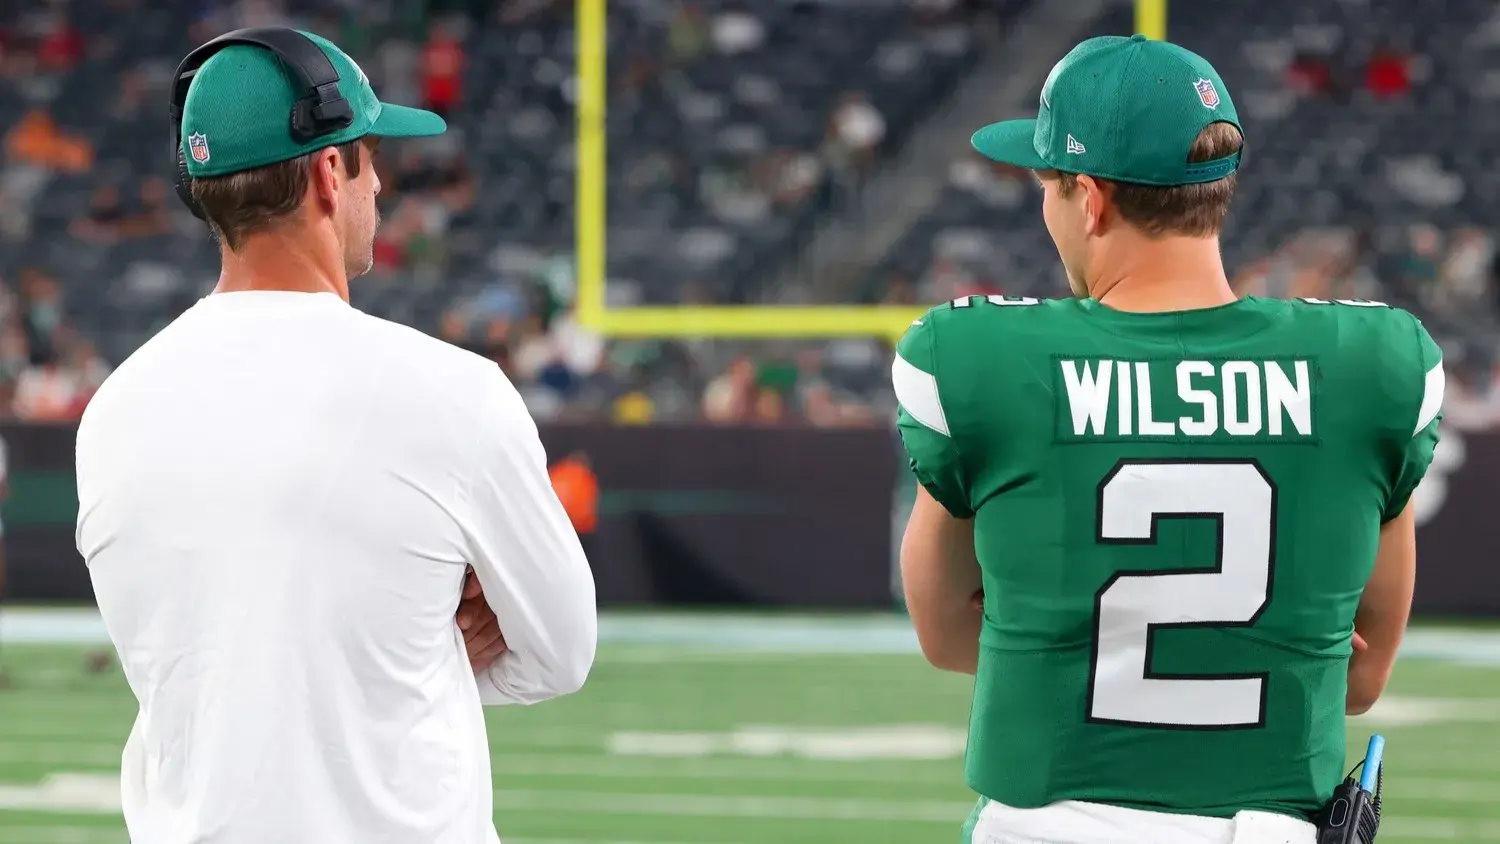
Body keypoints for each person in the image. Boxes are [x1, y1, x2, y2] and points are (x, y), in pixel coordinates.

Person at [893, 35, 1440, 844]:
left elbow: (945, 635)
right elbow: (1358, 678)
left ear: (1089, 198)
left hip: (1047, 826)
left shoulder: (979, 358)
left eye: (1046, 185)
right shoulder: (1374, 366)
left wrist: (1066, 645)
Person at [74, 29, 597, 844]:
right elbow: (562, 651)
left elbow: (223, 655)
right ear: (328, 172)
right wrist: (421, 636)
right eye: (368, 155)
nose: (380, 182)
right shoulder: (452, 394)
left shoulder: (111, 410)